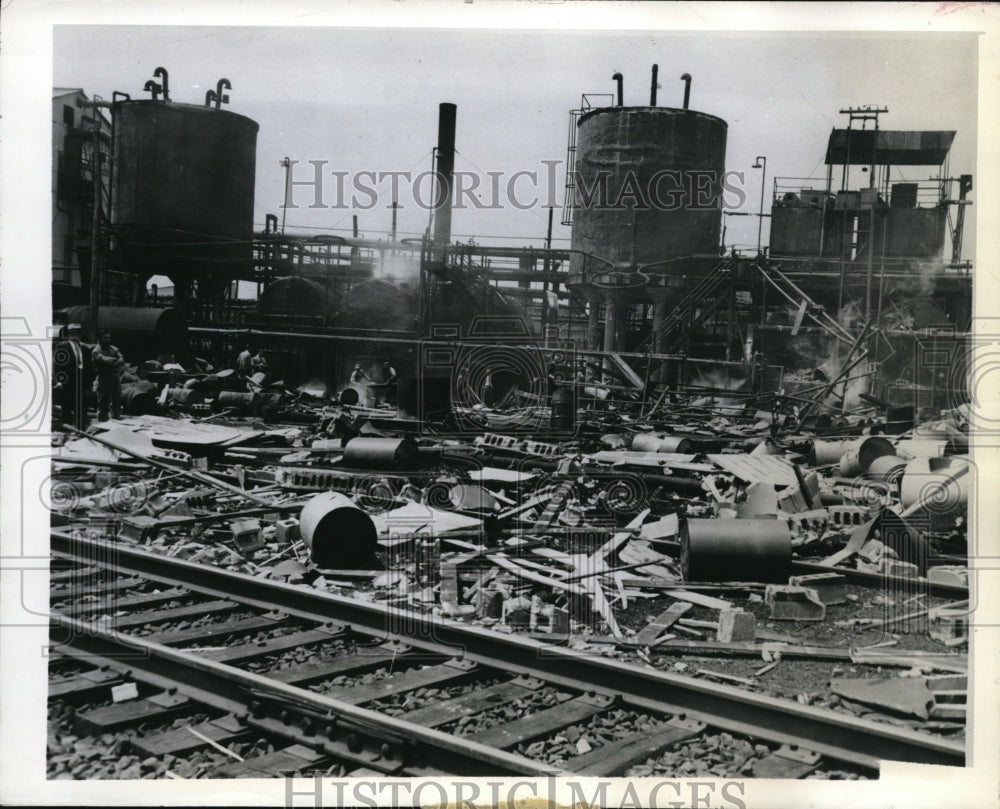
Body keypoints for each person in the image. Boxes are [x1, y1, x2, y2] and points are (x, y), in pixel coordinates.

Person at [52, 323, 91, 429]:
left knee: (82, 406)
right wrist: (59, 381)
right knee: (67, 406)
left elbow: (89, 367)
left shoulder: (85, 348)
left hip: (81, 381)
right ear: (69, 335)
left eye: (78, 334)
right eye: (73, 334)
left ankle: (81, 428)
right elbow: (58, 366)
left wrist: (89, 384)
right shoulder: (62, 346)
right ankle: (67, 428)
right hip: (68, 381)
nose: (76, 336)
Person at [92, 331, 124, 422]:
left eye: (108, 338)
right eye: (105, 338)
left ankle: (115, 418)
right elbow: (105, 361)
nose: (107, 340)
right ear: (99, 339)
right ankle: (102, 421)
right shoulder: (96, 351)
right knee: (103, 401)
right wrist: (114, 361)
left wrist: (113, 363)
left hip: (115, 376)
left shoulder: (114, 349)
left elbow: (122, 360)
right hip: (103, 377)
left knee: (117, 398)